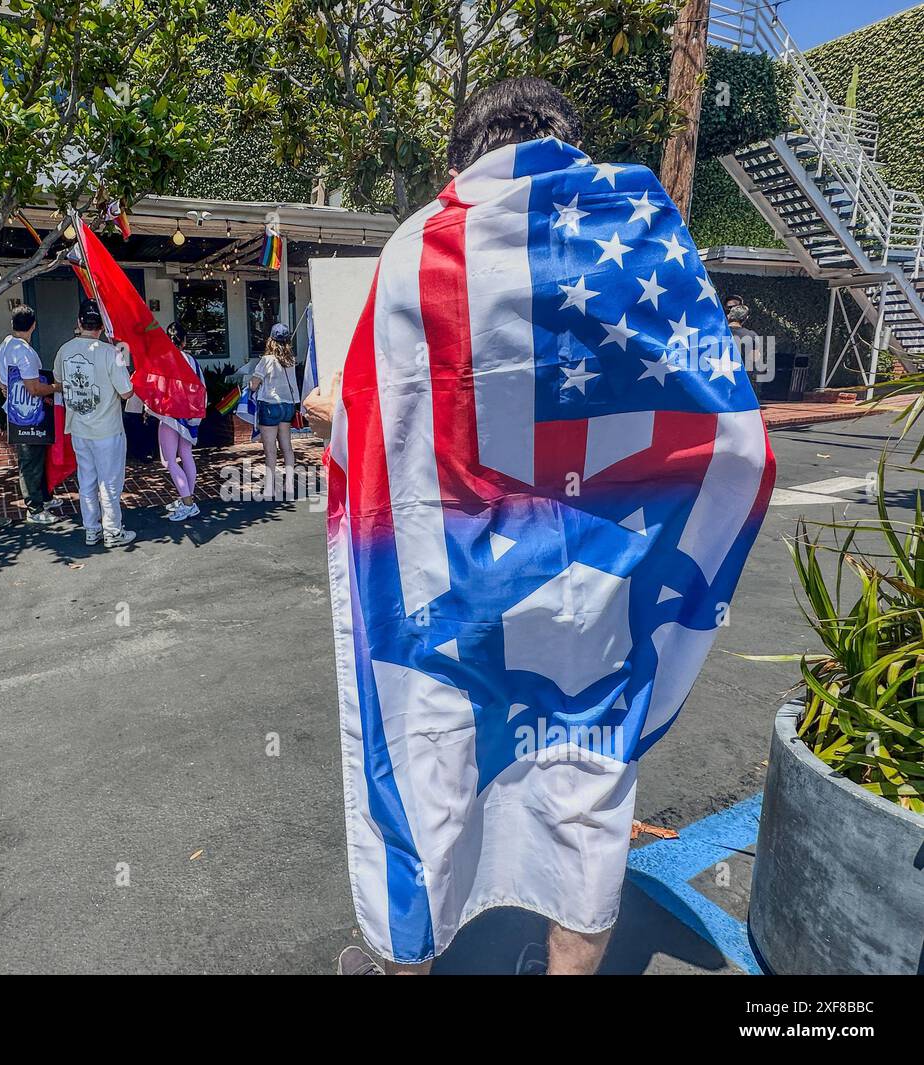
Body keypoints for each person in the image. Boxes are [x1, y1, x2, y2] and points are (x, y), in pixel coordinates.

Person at [309, 76, 774, 976]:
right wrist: (666, 549)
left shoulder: (418, 247)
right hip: (600, 585)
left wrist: (336, 419)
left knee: (430, 770)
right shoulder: (643, 234)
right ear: (567, 138)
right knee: (588, 787)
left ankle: (404, 963)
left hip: (452, 594)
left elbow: (384, 426)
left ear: (463, 151)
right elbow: (735, 437)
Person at [58, 299, 137, 547]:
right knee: (110, 482)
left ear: (79, 322)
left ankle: (91, 529)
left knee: (87, 481)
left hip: (79, 427)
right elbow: (126, 393)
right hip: (107, 429)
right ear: (102, 326)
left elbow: (60, 383)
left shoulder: (64, 351)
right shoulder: (110, 353)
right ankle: (112, 530)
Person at [0, 304, 61, 526]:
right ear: (34, 326)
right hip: (30, 413)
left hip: (13, 409)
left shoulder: (7, 344)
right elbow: (34, 389)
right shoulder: (26, 353)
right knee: (30, 460)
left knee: (37, 456)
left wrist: (4, 387)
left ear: (12, 324)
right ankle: (35, 509)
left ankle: (45, 498)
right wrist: (57, 387)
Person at [148, 322, 204, 522]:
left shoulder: (162, 360)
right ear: (184, 340)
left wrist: (149, 409)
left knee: (169, 461)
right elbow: (201, 389)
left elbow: (155, 389)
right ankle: (187, 497)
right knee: (186, 454)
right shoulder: (192, 361)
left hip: (170, 415)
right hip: (189, 415)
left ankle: (188, 502)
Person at [248, 322, 298, 500]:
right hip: (288, 407)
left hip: (270, 406)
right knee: (287, 448)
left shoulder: (267, 360)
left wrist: (249, 385)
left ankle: (270, 488)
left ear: (271, 339)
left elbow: (254, 385)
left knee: (270, 450)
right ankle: (290, 485)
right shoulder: (291, 360)